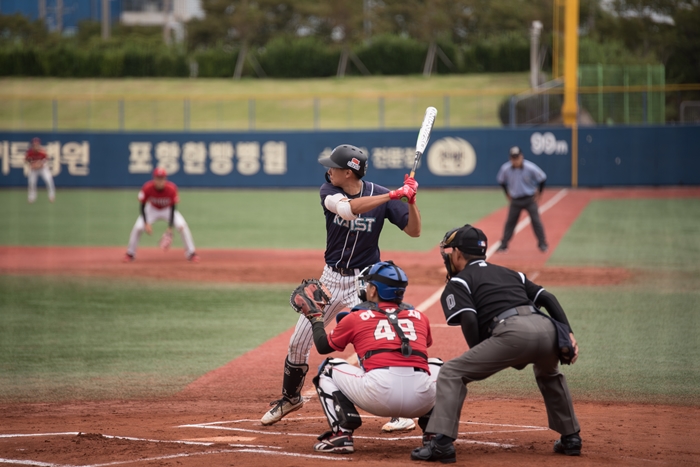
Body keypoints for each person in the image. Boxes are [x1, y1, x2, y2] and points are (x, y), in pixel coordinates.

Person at [261, 144, 421, 433]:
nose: (328, 170)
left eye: (334, 166)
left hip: (366, 282)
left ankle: (400, 410)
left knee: (374, 340)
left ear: (348, 172)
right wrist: (393, 194)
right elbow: (347, 211)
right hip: (331, 278)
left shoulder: (380, 193)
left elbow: (414, 230)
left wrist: (410, 199)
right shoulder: (328, 190)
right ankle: (290, 398)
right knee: (298, 341)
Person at [411, 224, 581, 463]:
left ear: (458, 253)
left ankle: (441, 443)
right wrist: (568, 334)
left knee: (452, 372)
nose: (448, 257)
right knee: (548, 373)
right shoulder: (511, 273)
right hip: (548, 330)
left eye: (450, 252)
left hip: (512, 332)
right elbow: (547, 298)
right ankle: (571, 437)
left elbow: (469, 318)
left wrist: (480, 351)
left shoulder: (459, 282)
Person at [292, 261, 442, 454]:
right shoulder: (420, 317)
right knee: (438, 364)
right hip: (422, 399)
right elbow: (423, 347)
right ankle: (433, 435)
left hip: (378, 396)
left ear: (373, 290)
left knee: (328, 368)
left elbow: (322, 346)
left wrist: (316, 317)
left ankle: (342, 435)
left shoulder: (354, 318)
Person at [123, 167, 199, 263]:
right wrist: (146, 223)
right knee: (138, 227)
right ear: (154, 179)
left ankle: (191, 253)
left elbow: (172, 208)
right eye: (158, 178)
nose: (160, 181)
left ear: (165, 179)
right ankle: (130, 253)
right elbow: (142, 206)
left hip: (167, 209)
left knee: (182, 226)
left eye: (162, 178)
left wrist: (170, 228)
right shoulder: (147, 187)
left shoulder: (171, 188)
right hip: (151, 209)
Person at [496, 146, 548, 252]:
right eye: (513, 158)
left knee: (536, 220)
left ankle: (542, 243)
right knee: (510, 222)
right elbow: (501, 180)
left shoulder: (530, 167)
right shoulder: (506, 169)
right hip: (515, 200)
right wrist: (507, 193)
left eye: (517, 157)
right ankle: (504, 244)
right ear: (510, 158)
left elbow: (542, 178)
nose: (515, 160)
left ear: (521, 156)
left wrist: (540, 193)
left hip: (529, 199)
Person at [25, 137, 56, 203]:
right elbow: (26, 160)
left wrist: (39, 164)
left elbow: (45, 160)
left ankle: (51, 196)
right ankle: (31, 197)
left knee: (48, 180)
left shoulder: (42, 152)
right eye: (34, 145)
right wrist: (31, 164)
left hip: (43, 169)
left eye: (37, 144)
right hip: (34, 170)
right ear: (32, 145)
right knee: (31, 182)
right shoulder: (29, 152)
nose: (36, 146)